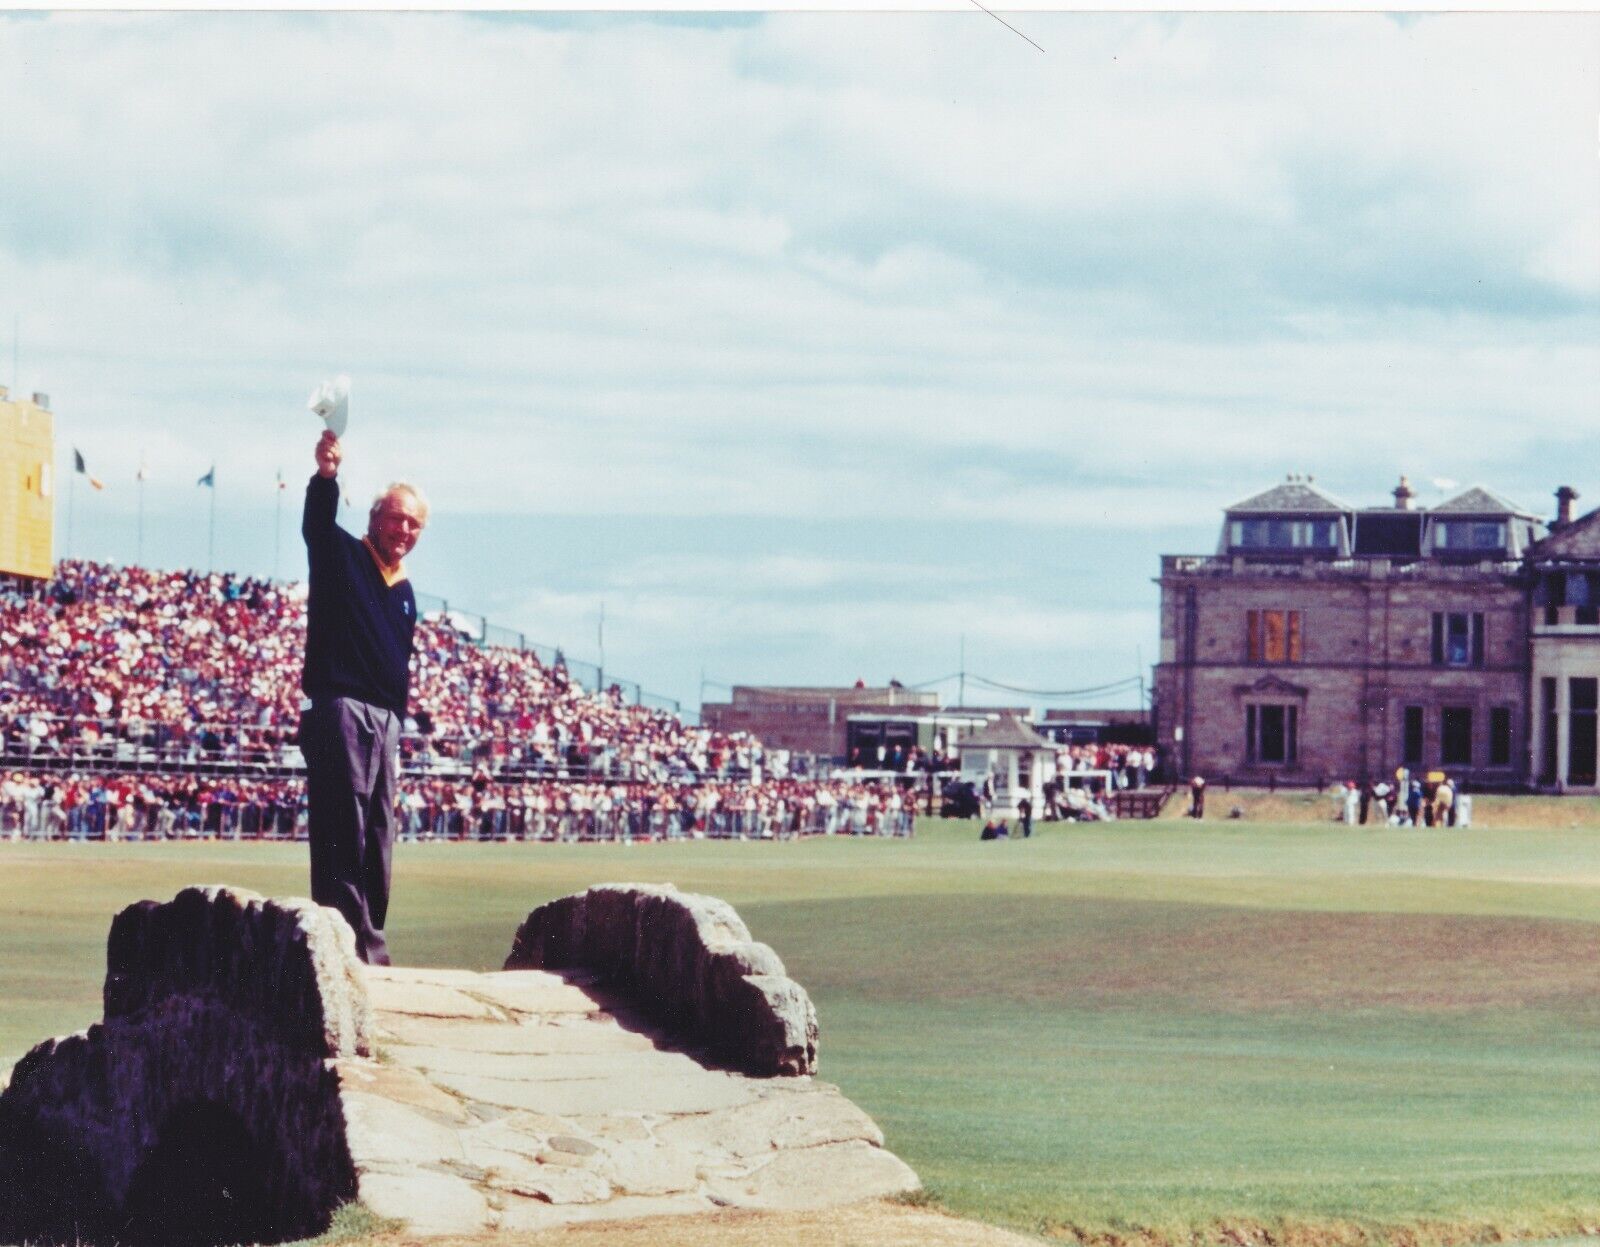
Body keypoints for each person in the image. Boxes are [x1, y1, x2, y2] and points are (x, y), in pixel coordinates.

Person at [298, 429, 428, 965]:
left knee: (378, 834)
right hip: (342, 709)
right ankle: (344, 948)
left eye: (414, 523)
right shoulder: (342, 555)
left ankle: (368, 943)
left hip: (387, 721)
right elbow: (316, 525)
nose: (404, 529)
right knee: (341, 825)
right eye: (396, 517)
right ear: (376, 517)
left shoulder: (405, 591)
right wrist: (326, 475)